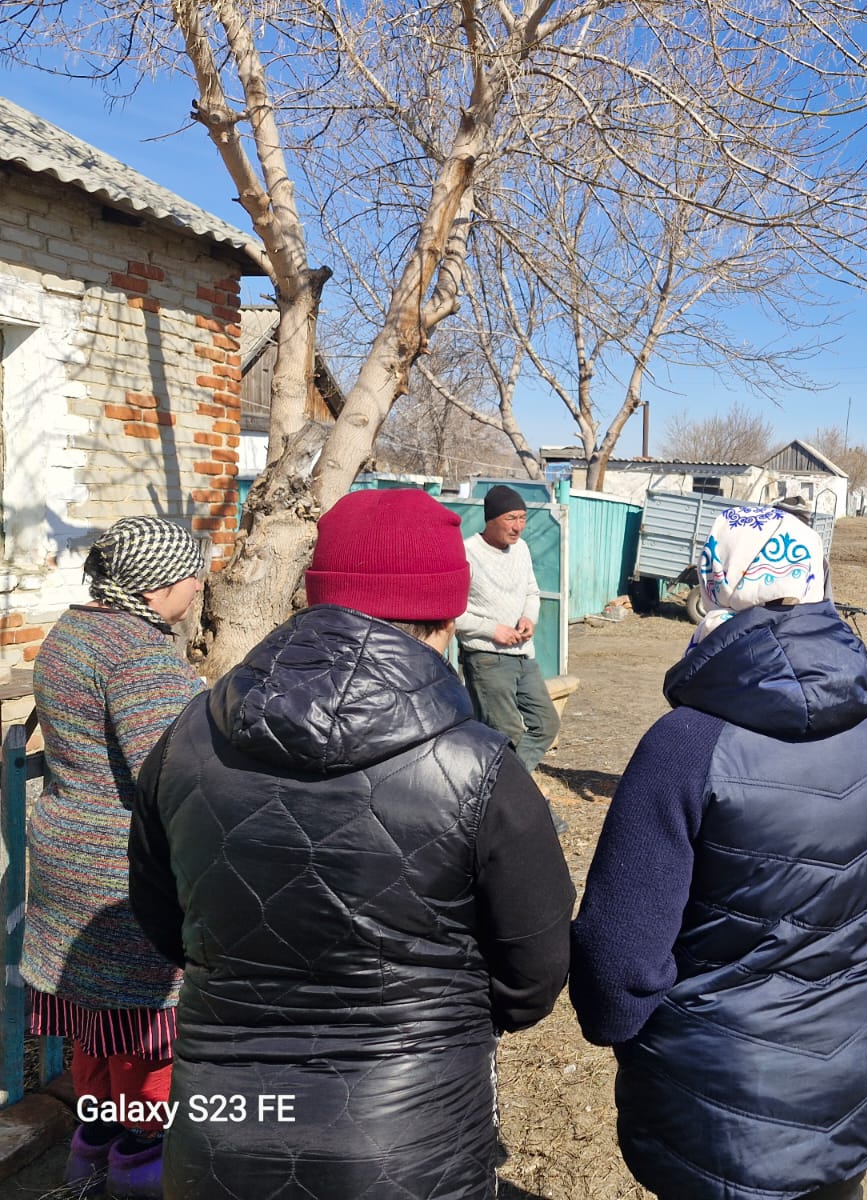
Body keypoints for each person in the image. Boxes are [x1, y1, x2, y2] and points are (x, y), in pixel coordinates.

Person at [128, 488, 574, 1200]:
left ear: (315, 594)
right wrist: (450, 1015)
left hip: (219, 1134)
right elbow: (537, 965)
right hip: (411, 1139)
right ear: (449, 609)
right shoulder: (480, 765)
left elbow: (161, 917)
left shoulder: (188, 735)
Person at [570, 506, 867, 1200]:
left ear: (710, 588)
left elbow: (618, 953)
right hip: (850, 1071)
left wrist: (623, 1030)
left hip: (716, 1093)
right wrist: (839, 956)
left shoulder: (684, 743)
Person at [19, 515, 208, 1197]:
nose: (198, 587)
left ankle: (88, 1151)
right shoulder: (138, 655)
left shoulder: (71, 631)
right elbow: (175, 773)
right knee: (146, 1032)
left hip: (69, 854)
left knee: (98, 1029)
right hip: (124, 874)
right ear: (161, 586)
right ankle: (139, 1169)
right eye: (194, 575)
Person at [456, 484, 564, 829]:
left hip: (522, 655)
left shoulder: (522, 549)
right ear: (491, 519)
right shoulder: (466, 553)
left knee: (546, 724)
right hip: (487, 658)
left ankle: (506, 797)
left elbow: (532, 591)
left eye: (523, 518)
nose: (518, 526)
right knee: (504, 734)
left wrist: (528, 617)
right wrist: (492, 629)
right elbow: (451, 612)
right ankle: (520, 811)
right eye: (511, 518)